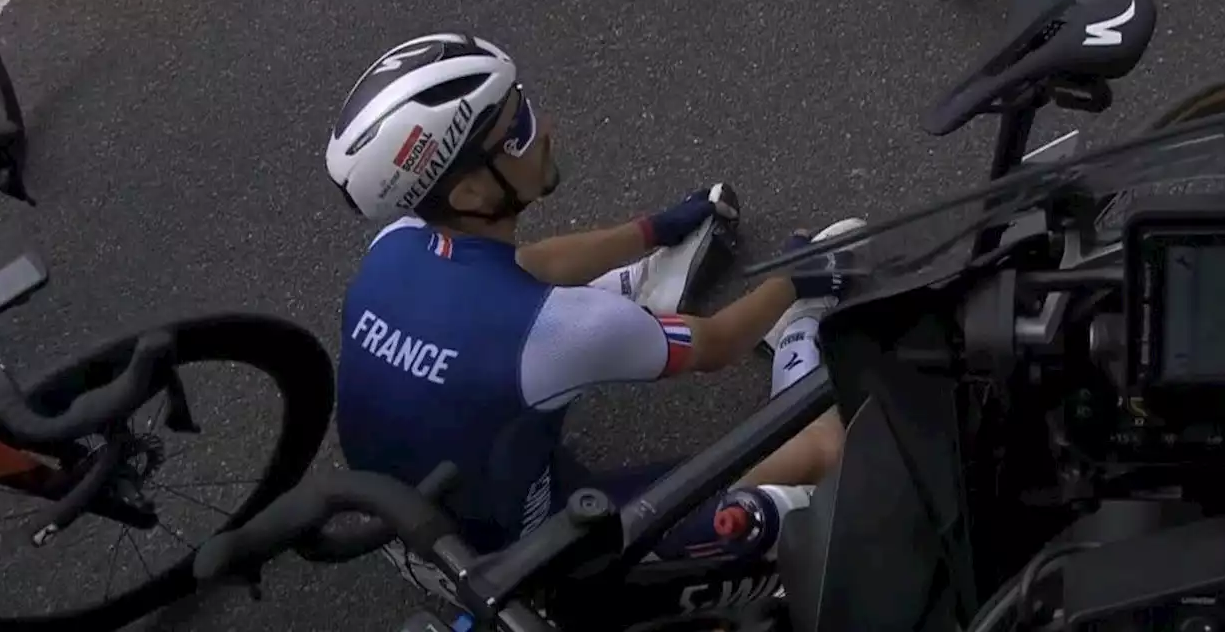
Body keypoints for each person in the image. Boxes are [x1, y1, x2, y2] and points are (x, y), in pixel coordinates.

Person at [325, 33, 866, 598]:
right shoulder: (559, 330)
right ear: (470, 195)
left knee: (538, 346)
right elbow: (718, 344)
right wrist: (791, 280)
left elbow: (528, 264)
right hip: (535, 573)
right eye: (520, 130)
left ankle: (647, 305)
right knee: (821, 450)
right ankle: (800, 331)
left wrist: (649, 231)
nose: (545, 125)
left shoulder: (397, 242)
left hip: (422, 531)